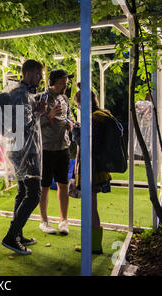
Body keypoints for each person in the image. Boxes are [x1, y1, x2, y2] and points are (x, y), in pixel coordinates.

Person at [1, 59, 46, 255]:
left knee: (22, 192)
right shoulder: (20, 95)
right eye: (38, 74)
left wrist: (37, 111)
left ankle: (17, 233)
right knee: (34, 194)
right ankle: (11, 236)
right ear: (28, 73)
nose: (41, 78)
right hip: (24, 152)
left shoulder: (25, 94)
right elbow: (19, 128)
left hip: (22, 150)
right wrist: (38, 113)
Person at [72, 86, 111, 254]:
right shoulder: (103, 115)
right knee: (91, 205)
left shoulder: (94, 119)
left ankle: (93, 245)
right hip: (100, 168)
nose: (78, 108)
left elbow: (87, 144)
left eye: (78, 105)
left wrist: (75, 133)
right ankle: (94, 244)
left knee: (90, 206)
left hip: (92, 169)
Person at [38, 69, 74, 235]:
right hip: (46, 149)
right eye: (63, 83)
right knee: (44, 186)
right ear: (54, 82)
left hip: (63, 147)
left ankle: (63, 221)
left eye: (66, 83)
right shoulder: (41, 98)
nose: (66, 86)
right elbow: (33, 123)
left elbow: (69, 117)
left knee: (63, 184)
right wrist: (49, 116)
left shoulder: (64, 98)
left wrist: (70, 124)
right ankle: (44, 221)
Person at [134, 94, 153, 160]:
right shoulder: (150, 105)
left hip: (137, 126)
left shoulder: (137, 104)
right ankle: (148, 160)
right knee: (148, 144)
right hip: (148, 126)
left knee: (137, 143)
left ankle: (136, 160)